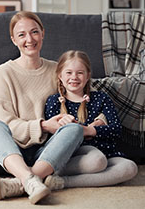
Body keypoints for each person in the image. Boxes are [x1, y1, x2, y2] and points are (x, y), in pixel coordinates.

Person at [0, 11, 106, 204]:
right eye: (22, 35)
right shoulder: (2, 73)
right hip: (11, 154)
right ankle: (28, 178)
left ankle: (24, 181)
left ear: (43, 34)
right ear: (14, 40)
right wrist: (43, 126)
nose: (29, 39)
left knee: (73, 129)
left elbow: (87, 91)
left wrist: (99, 119)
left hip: (47, 153)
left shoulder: (57, 69)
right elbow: (4, 122)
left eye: (34, 32)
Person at [43, 50, 138, 189]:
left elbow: (116, 129)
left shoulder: (101, 98)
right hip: (75, 155)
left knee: (130, 168)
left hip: (107, 152)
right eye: (69, 73)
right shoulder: (54, 101)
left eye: (80, 73)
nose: (74, 77)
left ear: (87, 76)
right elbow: (52, 138)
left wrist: (89, 130)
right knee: (96, 161)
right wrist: (68, 129)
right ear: (60, 75)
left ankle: (62, 182)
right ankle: (48, 171)